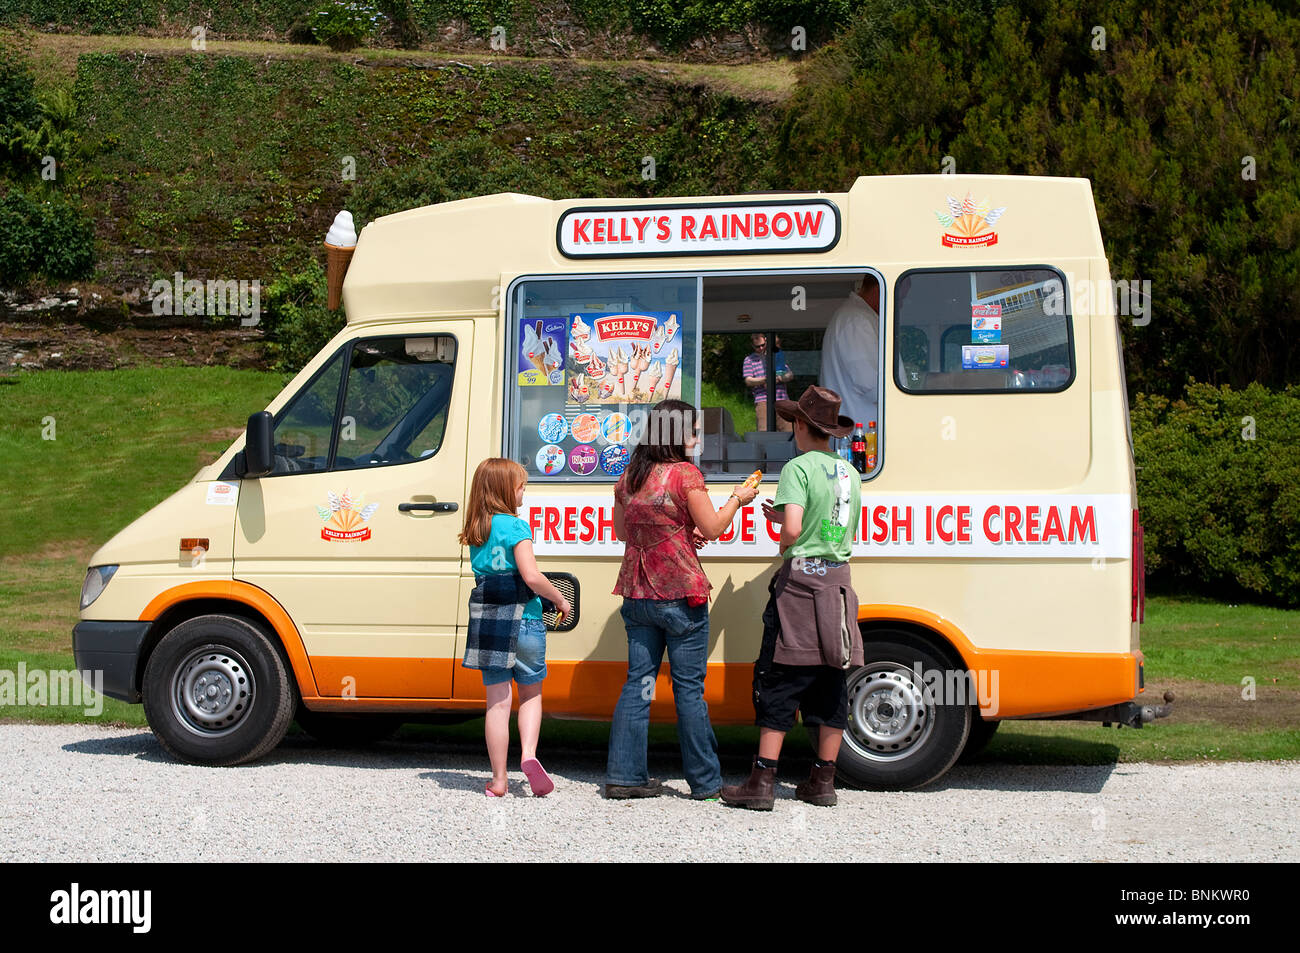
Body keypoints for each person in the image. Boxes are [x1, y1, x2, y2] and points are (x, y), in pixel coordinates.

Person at [605, 399, 759, 799]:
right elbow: (714, 527)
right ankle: (705, 782)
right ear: (676, 433)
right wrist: (737, 500)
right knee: (688, 689)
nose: (698, 438)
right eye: (694, 430)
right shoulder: (685, 475)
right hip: (680, 596)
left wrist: (678, 532)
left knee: (638, 684)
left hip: (637, 594)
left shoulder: (629, 477)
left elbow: (626, 532)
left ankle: (624, 776)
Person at [720, 386, 863, 811]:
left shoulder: (798, 468)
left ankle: (762, 782)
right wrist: (788, 514)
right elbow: (835, 521)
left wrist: (782, 535)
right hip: (837, 584)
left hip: (800, 584)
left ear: (802, 426)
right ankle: (823, 782)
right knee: (831, 678)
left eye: (793, 423)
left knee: (780, 678)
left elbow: (796, 531)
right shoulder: (849, 472)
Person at [459, 458, 572, 798]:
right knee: (531, 694)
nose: (524, 490)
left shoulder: (477, 530)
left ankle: (498, 780)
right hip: (525, 621)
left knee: (496, 702)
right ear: (505, 490)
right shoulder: (516, 527)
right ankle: (528, 756)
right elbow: (532, 577)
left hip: (491, 624)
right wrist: (560, 600)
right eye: (521, 485)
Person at [820, 276, 880, 429]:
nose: (899, 305)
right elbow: (869, 382)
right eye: (900, 299)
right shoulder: (857, 320)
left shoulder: (856, 317)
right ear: (880, 291)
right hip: (861, 432)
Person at [742, 331, 794, 432]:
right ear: (752, 345)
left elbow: (790, 375)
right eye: (757, 346)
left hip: (782, 398)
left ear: (766, 342)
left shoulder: (776, 356)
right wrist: (766, 379)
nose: (761, 348)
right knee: (764, 432)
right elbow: (748, 381)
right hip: (762, 400)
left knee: (787, 431)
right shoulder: (749, 360)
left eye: (763, 345)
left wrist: (779, 378)